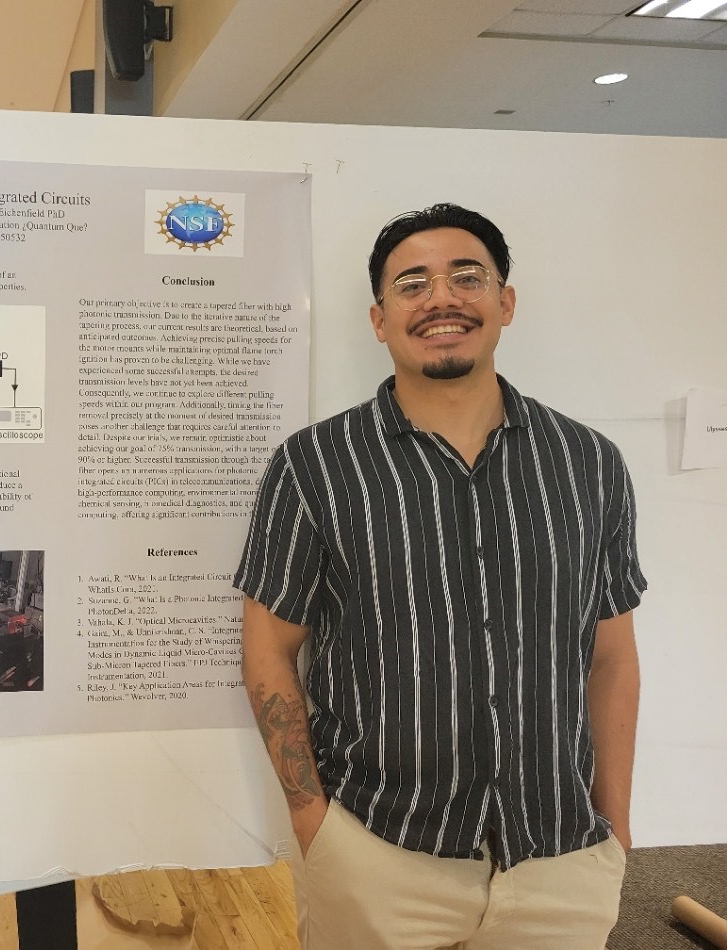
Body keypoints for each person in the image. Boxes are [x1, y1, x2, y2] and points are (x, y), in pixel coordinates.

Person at [235, 203, 645, 949]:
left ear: (504, 301)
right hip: (377, 854)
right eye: (411, 284)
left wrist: (613, 826)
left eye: (466, 277)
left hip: (560, 861)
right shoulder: (314, 466)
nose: (440, 299)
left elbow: (611, 655)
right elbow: (268, 646)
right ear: (379, 318)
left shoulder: (588, 464)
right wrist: (311, 821)